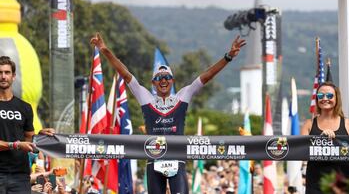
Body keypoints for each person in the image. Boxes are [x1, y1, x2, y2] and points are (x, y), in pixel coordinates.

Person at [90, 33, 246, 194]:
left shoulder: (183, 95)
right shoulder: (146, 98)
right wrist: (105, 50)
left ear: (172, 80)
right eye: (159, 78)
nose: (163, 80)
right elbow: (125, 74)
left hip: (177, 159)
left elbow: (207, 76)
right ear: (153, 83)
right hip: (154, 159)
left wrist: (228, 57)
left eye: (167, 77)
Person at [0, 56, 55, 194]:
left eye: (7, 72)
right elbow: (20, 144)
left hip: (20, 176)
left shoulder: (24, 107)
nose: (3, 76)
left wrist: (41, 135)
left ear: (13, 76)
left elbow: (30, 140)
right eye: (0, 73)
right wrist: (16, 145)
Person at [300, 81, 349, 194]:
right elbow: (301, 154)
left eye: (329, 95)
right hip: (316, 184)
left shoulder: (348, 124)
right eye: (320, 96)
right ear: (316, 99)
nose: (325, 98)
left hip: (343, 185)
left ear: (336, 98)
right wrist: (320, 141)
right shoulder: (308, 124)